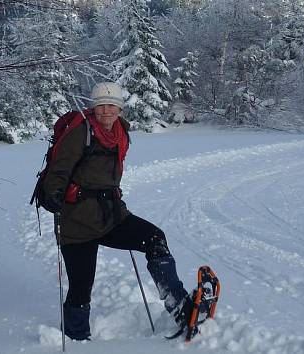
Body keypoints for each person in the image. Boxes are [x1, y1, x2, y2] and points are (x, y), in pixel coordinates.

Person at [42, 82, 192, 341]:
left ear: (120, 109)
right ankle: (77, 338)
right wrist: (54, 196)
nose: (106, 111)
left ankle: (178, 302)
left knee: (155, 238)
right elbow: (59, 169)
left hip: (112, 216)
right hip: (78, 222)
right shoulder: (82, 132)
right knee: (81, 287)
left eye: (111, 106)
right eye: (100, 106)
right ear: (94, 108)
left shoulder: (121, 132)